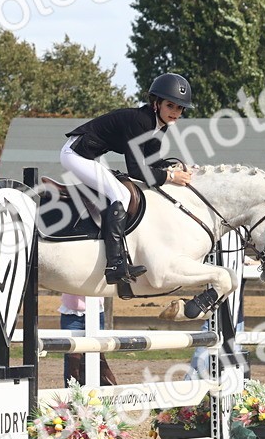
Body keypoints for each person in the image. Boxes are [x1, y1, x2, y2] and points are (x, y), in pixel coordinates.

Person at [62, 73, 195, 284]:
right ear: (156, 103)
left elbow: (152, 162)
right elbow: (135, 169)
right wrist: (170, 176)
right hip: (75, 154)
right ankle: (114, 264)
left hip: (89, 156)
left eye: (179, 108)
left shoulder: (159, 126)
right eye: (171, 105)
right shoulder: (140, 121)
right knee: (121, 194)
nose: (175, 112)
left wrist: (176, 168)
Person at [58, 293, 117, 386]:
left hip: (96, 311)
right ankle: (72, 393)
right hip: (71, 312)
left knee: (97, 354)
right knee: (71, 357)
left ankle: (100, 390)